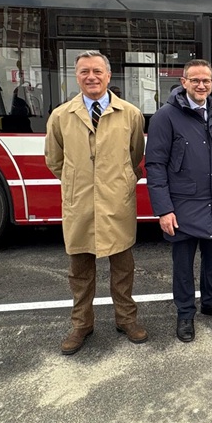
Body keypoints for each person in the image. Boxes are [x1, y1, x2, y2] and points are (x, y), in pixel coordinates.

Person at [45, 50, 148, 355]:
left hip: (117, 204)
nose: (91, 77)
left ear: (108, 76)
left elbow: (135, 155)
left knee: (123, 268)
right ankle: (81, 324)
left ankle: (126, 319)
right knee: (79, 271)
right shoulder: (61, 116)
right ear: (76, 77)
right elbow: (54, 160)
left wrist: (117, 182)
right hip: (79, 205)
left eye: (97, 71)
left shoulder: (130, 114)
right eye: (84, 72)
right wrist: (79, 182)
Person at [145, 60, 212, 342]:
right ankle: (185, 313)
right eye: (195, 80)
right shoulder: (165, 117)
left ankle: (210, 302)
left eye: (206, 80)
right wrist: (164, 209)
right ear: (183, 82)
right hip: (182, 205)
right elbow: (155, 166)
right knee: (183, 267)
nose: (201, 85)